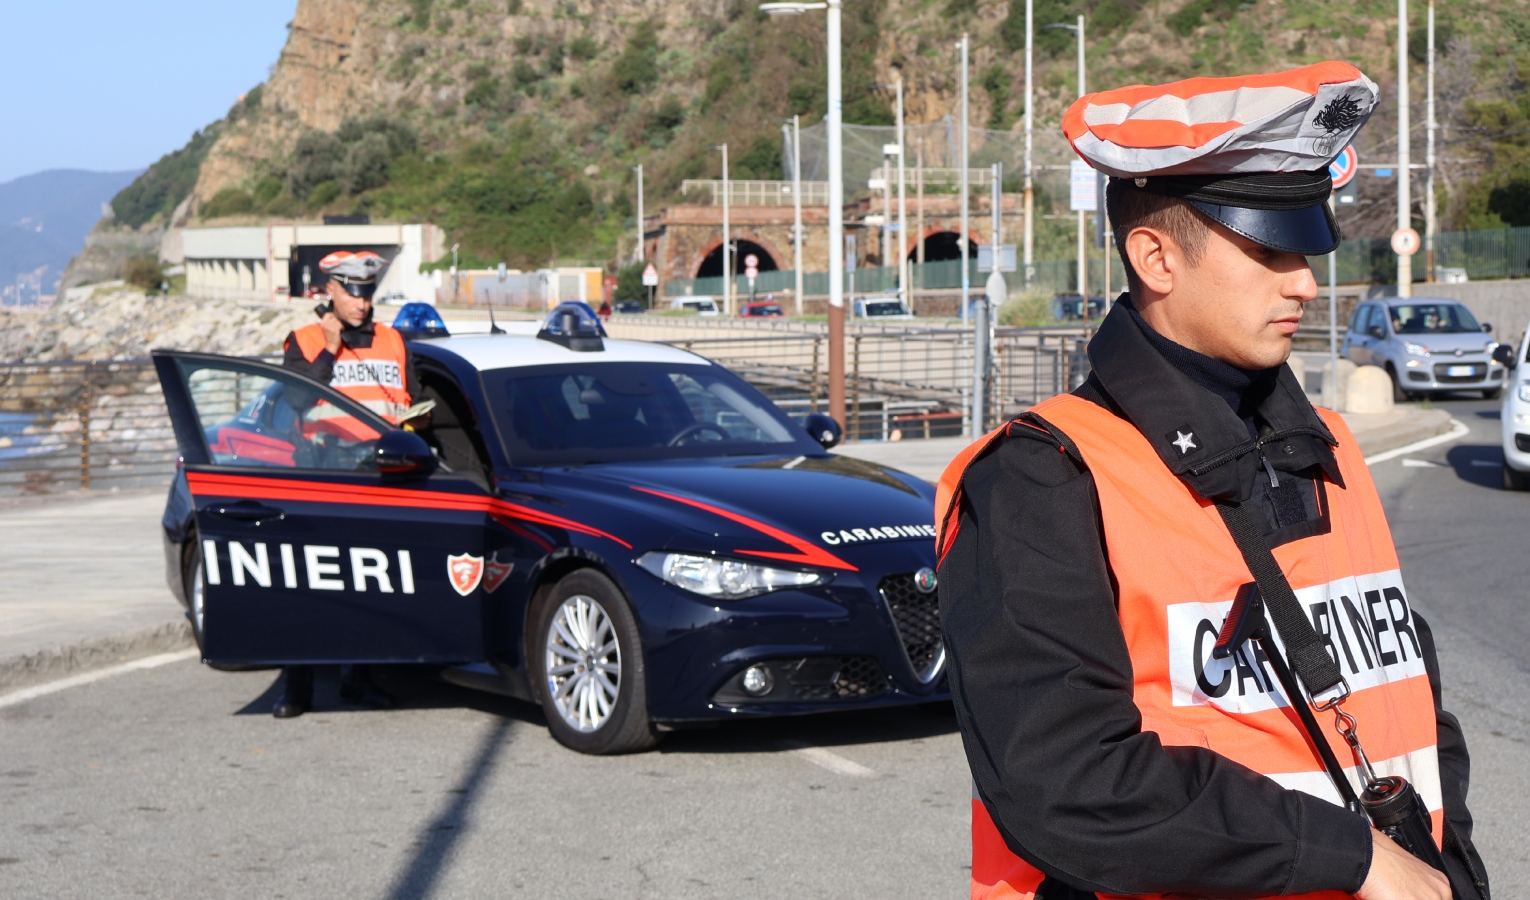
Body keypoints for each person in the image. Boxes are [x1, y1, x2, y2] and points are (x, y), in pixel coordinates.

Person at [938, 62, 1488, 900]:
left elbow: (1411, 699)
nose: (1303, 280)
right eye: (1267, 249)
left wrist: (1450, 870)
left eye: (1305, 248)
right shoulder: (1043, 476)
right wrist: (1360, 857)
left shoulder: (1327, 444)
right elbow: (1070, 783)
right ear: (1155, 258)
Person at [273, 249, 422, 719]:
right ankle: (295, 687)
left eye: (367, 292)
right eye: (352, 292)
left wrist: (411, 427)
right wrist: (332, 348)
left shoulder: (394, 340)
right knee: (307, 589)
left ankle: (357, 679)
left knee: (368, 590)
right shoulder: (304, 338)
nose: (361, 302)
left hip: (380, 478)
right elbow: (296, 399)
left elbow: (415, 401)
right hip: (322, 478)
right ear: (330, 292)